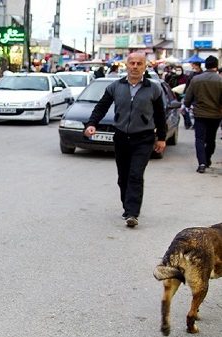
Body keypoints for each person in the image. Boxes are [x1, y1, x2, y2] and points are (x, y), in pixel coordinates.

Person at [84, 52, 166, 228]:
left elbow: (160, 115)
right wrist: (92, 124)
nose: (135, 66)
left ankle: (132, 213)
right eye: (132, 63)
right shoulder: (115, 86)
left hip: (144, 138)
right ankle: (127, 206)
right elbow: (101, 107)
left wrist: (162, 138)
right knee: (123, 177)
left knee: (136, 175)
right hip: (121, 137)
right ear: (126, 66)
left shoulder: (154, 89)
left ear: (145, 67)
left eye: (139, 63)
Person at [183, 55, 222, 174]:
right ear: (216, 66)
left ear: (206, 65)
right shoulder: (220, 80)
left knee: (199, 139)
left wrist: (187, 105)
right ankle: (207, 158)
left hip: (199, 114)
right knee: (211, 139)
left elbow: (188, 97)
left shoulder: (196, 79)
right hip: (216, 115)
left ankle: (202, 163)